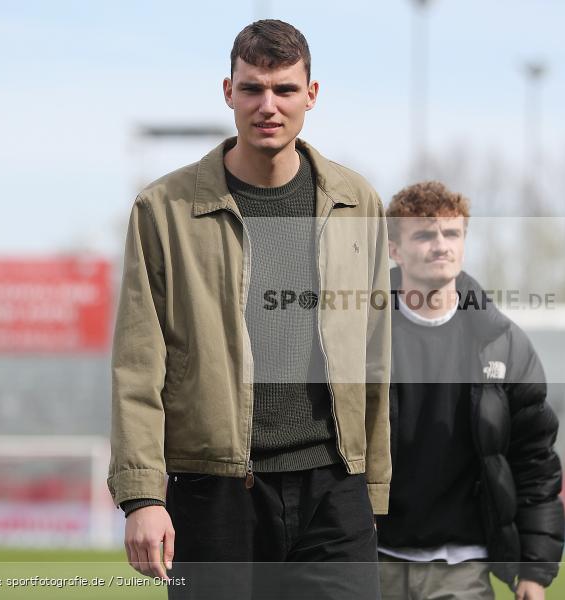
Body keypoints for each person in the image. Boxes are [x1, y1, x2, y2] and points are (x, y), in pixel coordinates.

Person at [107, 19, 391, 599]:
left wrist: (376, 486)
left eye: (285, 89)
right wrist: (142, 497)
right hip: (213, 494)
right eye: (253, 88)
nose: (269, 105)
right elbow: (139, 362)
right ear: (228, 92)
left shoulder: (356, 201)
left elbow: (376, 355)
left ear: (311, 96)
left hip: (333, 488)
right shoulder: (163, 209)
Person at [376, 182, 564, 600]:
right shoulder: (360, 336)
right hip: (372, 561)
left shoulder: (503, 343)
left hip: (462, 569)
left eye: (451, 233)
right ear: (394, 249)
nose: (440, 245)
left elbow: (534, 459)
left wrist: (534, 569)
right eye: (424, 234)